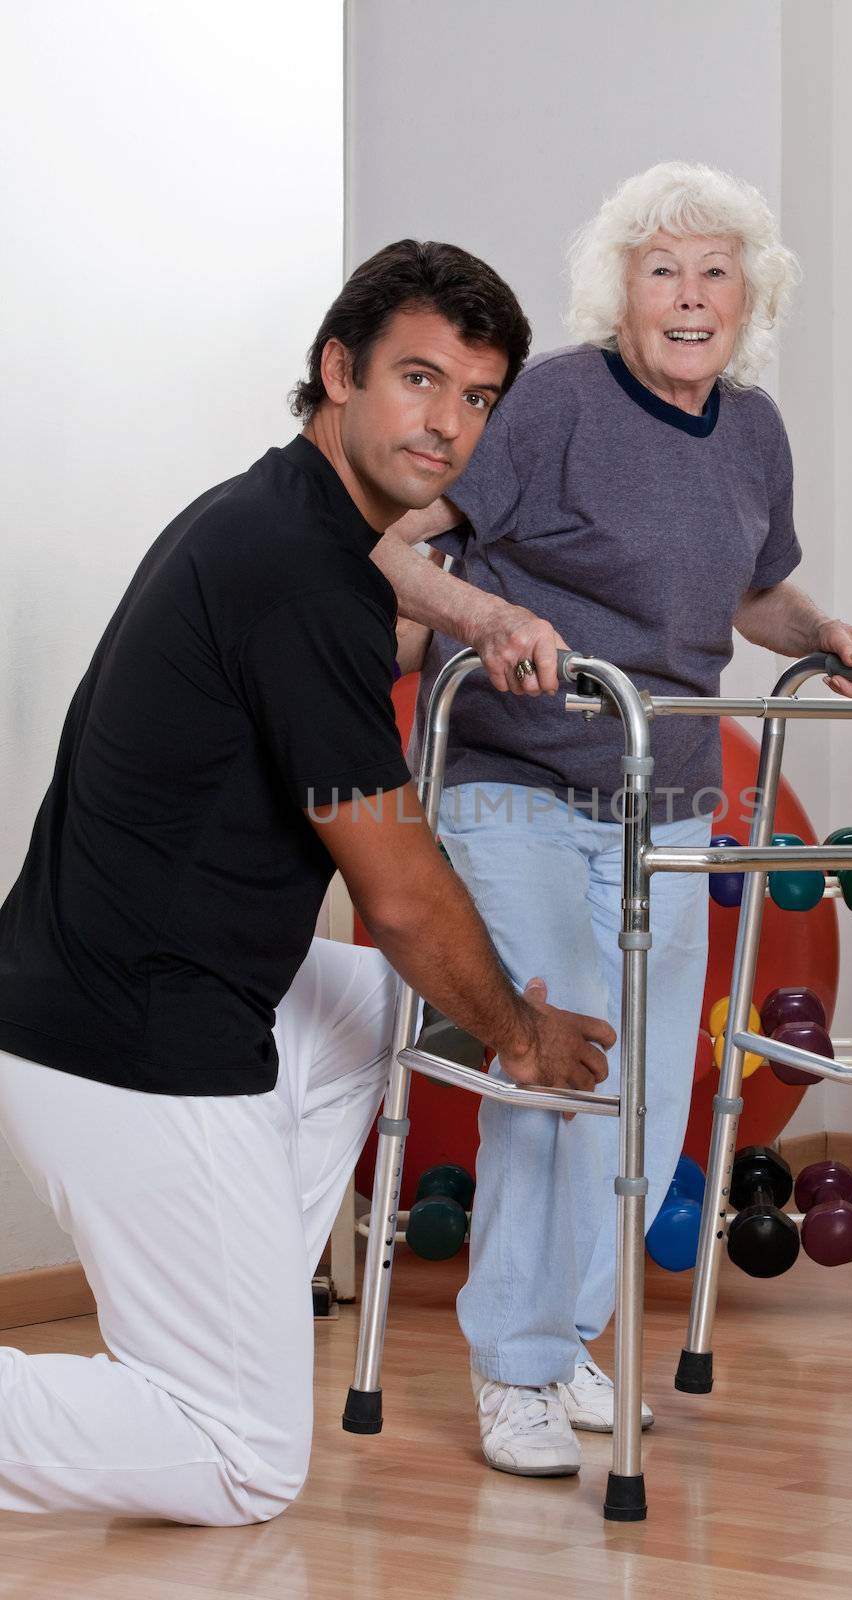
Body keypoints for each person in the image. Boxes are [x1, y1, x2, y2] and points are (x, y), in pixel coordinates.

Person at [0, 239, 615, 1524]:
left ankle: (233, 1332)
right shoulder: (295, 574)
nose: (447, 423)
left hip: (100, 1001)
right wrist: (518, 1037)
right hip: (131, 1045)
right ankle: (217, 1389)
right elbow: (395, 893)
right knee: (245, 1462)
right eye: (417, 379)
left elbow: (362, 656)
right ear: (337, 373)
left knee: (368, 1016)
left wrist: (474, 619)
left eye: (477, 396)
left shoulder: (280, 528)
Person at [371, 163, 852, 1478]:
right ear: (618, 289)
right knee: (553, 1059)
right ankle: (511, 1370)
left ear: (749, 297)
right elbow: (389, 544)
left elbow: (751, 596)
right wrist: (490, 621)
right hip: (513, 782)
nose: (686, 296)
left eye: (712, 273)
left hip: (658, 796)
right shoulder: (554, 400)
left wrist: (825, 632)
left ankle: (570, 1346)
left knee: (647, 1088)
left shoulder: (751, 429)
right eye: (660, 269)